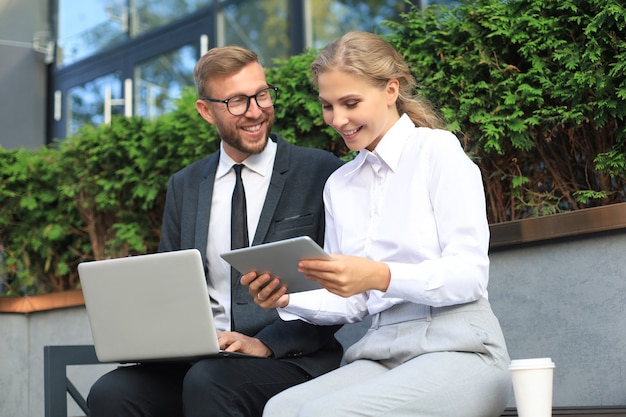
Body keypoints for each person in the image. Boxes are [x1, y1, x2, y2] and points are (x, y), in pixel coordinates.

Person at [242, 31, 512, 417]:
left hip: (461, 346)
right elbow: (352, 300)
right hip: (381, 349)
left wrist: (379, 275)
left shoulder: (436, 151)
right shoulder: (340, 184)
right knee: (280, 410)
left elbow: (469, 275)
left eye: (351, 103)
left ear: (391, 90)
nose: (338, 120)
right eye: (328, 106)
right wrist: (286, 297)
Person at [87, 45, 344, 417]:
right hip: (202, 357)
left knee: (209, 381)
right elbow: (169, 288)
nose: (256, 111)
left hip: (288, 357)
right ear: (206, 111)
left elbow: (339, 291)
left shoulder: (319, 171)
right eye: (238, 101)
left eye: (261, 94)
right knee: (112, 392)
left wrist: (266, 345)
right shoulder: (185, 185)